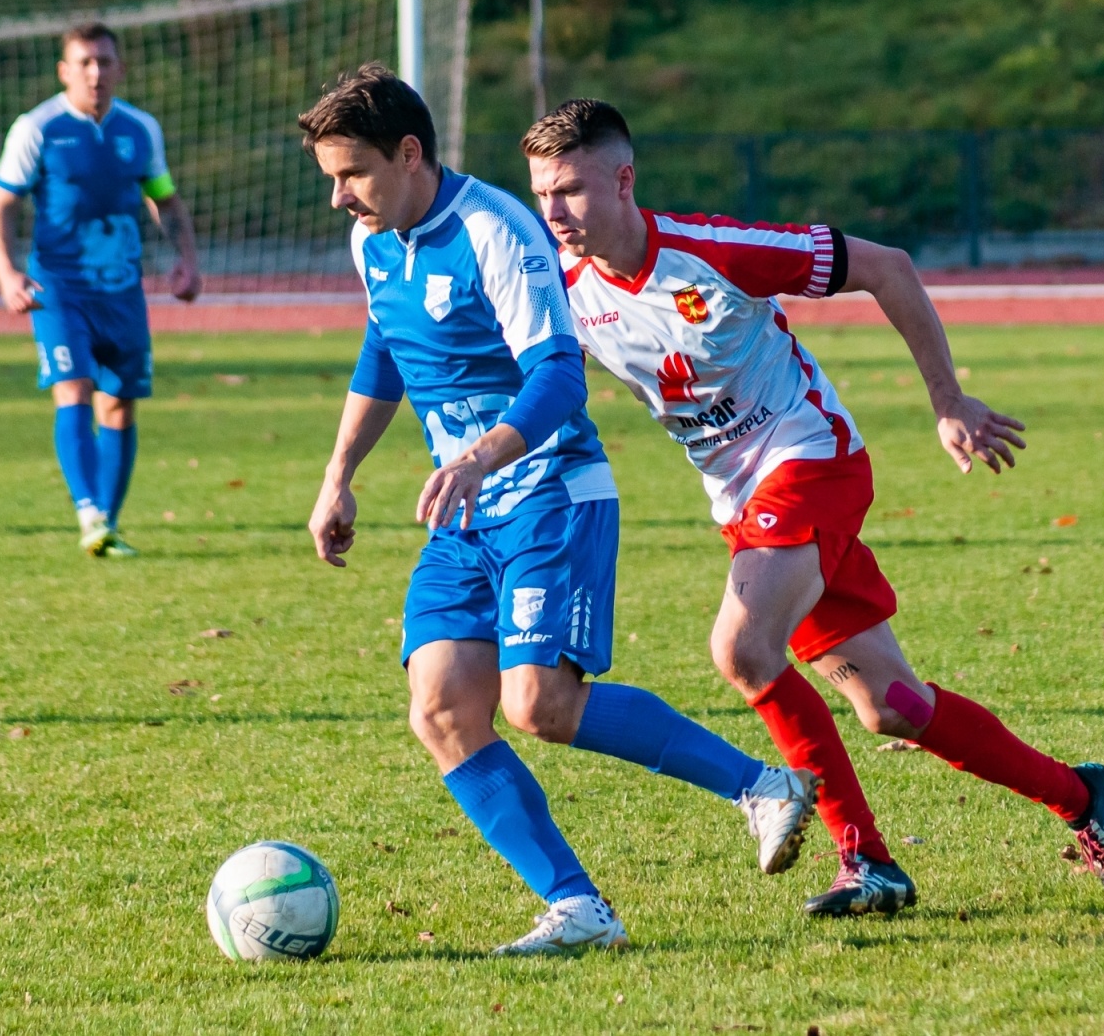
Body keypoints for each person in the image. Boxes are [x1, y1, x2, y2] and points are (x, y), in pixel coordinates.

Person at [521, 98, 1104, 915]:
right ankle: (1081, 796)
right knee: (892, 706)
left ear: (624, 179)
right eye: (540, 195)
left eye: (569, 189)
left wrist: (948, 400)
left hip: (812, 459)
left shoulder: (718, 252)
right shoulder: (564, 291)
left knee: (742, 650)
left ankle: (864, 860)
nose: (554, 212)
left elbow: (888, 265)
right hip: (741, 502)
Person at [301, 65, 821, 955]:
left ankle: (761, 785)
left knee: (538, 704)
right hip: (462, 509)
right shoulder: (374, 242)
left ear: (409, 153)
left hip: (548, 493)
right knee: (441, 711)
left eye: (352, 174)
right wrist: (338, 474)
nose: (341, 197)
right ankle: (579, 908)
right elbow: (384, 352)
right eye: (332, 180)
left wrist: (479, 456)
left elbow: (555, 372)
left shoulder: (496, 231)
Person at [0, 22, 201, 557]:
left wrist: (187, 261)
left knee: (121, 405)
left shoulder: (140, 130)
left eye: (104, 61)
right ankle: (88, 514)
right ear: (64, 70)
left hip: (122, 291)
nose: (95, 72)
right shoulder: (37, 128)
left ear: (120, 67)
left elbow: (165, 199)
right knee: (74, 387)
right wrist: (9, 275)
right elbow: (2, 207)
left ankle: (107, 522)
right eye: (83, 62)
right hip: (58, 288)